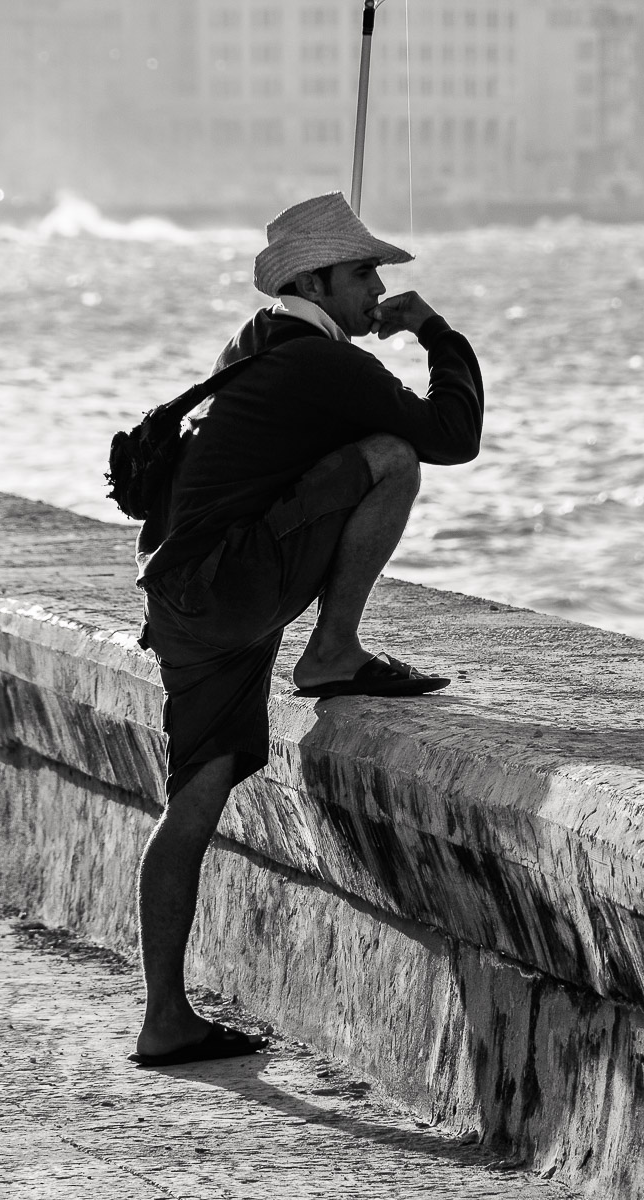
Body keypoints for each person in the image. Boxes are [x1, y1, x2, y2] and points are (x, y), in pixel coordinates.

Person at [129, 192, 484, 1066]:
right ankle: (333, 651)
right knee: (391, 460)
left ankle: (164, 1018)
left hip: (183, 598)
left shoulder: (253, 345)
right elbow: (451, 435)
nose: (377, 290)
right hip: (233, 587)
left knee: (194, 799)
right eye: (363, 274)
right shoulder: (324, 366)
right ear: (314, 279)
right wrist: (434, 330)